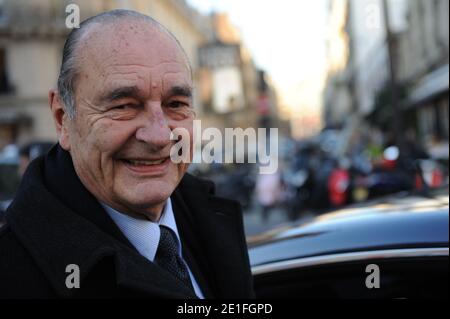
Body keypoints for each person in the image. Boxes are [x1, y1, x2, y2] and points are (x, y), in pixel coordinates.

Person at [0, 10, 254, 299]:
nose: (159, 136)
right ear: (63, 119)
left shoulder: (209, 220)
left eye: (176, 103)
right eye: (123, 106)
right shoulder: (12, 276)